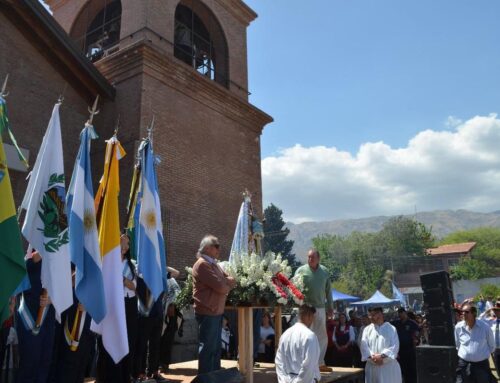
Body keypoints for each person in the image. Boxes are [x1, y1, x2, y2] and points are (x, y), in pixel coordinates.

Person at [192, 235, 236, 374]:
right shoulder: (202, 264)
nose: (219, 248)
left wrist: (225, 283)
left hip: (216, 311)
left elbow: (229, 279)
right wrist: (226, 285)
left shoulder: (213, 263)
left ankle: (215, 375)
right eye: (216, 246)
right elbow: (222, 286)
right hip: (208, 311)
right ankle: (206, 377)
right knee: (207, 348)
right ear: (207, 248)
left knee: (215, 348)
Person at [16, 250, 56, 383]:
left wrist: (53, 299)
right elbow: (24, 267)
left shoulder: (58, 259)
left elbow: (65, 286)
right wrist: (45, 250)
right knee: (29, 366)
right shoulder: (30, 258)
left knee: (44, 363)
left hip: (48, 318)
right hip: (29, 319)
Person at [294, 249, 334, 372]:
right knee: (304, 336)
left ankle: (320, 363)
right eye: (308, 257)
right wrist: (298, 304)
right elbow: (294, 287)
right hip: (306, 308)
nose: (310, 259)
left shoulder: (325, 272)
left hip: (321, 308)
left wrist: (330, 307)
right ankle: (304, 363)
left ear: (318, 258)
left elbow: (328, 291)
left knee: (321, 336)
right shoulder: (301, 271)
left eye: (312, 257)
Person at [275, 305, 321, 383]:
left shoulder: (285, 334)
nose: (313, 320)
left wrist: (283, 380)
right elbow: (308, 365)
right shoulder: (310, 336)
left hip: (287, 380)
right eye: (313, 317)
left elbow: (279, 361)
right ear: (309, 316)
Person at [454, 303, 496, 383]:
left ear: (474, 313)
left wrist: (479, 355)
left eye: (466, 312)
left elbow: (492, 346)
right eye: (462, 312)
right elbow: (458, 344)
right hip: (464, 364)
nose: (463, 314)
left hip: (481, 365)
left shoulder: (485, 327)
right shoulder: (458, 327)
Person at [360, 307, 402, 383]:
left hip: (388, 368)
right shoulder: (367, 329)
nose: (370, 317)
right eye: (369, 315)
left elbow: (395, 347)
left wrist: (381, 356)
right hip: (372, 367)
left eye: (373, 315)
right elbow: (364, 347)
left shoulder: (391, 329)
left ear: (380, 314)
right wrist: (373, 357)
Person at [390, 307, 419, 383]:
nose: (400, 315)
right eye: (399, 313)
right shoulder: (396, 323)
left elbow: (418, 332)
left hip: (410, 350)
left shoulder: (412, 323)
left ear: (405, 313)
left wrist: (415, 341)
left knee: (411, 370)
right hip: (400, 351)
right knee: (401, 370)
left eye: (401, 313)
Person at [478, 302, 500, 379]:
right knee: (498, 369)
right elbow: (480, 319)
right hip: (496, 350)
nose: (496, 312)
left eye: (498, 310)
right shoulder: (491, 321)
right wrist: (488, 310)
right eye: (495, 310)